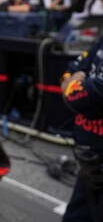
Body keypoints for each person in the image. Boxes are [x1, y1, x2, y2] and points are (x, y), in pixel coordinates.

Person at [61, 35, 103, 221]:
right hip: (88, 163)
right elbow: (72, 69)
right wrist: (73, 80)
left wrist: (73, 84)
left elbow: (91, 94)